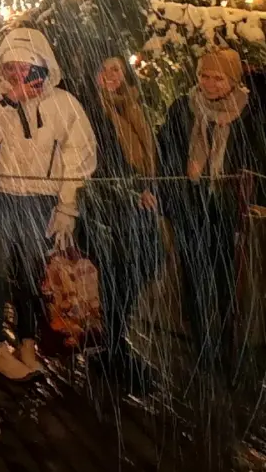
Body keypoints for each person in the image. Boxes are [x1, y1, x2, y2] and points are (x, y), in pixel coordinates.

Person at [0, 27, 95, 381]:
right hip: (0, 199)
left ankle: (27, 340)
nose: (17, 74)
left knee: (31, 274)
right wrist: (10, 100)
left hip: (41, 200)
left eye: (25, 67)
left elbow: (79, 157)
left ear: (41, 66)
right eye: (11, 67)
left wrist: (67, 207)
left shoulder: (64, 104)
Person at [154, 47, 266, 372]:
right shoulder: (184, 107)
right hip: (193, 199)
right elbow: (167, 149)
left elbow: (258, 154)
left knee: (226, 274)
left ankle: (226, 338)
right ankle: (204, 341)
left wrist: (252, 190)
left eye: (218, 78)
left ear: (232, 80)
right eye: (205, 76)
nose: (210, 84)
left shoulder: (251, 110)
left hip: (232, 203)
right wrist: (169, 185)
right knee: (194, 269)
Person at [75, 54, 162, 395]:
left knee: (147, 260)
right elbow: (100, 158)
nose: (111, 75)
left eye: (116, 69)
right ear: (94, 74)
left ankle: (116, 336)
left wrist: (147, 189)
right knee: (115, 268)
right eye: (104, 68)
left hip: (135, 203)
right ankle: (114, 346)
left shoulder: (132, 106)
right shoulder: (91, 109)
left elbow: (147, 157)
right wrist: (129, 190)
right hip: (104, 203)